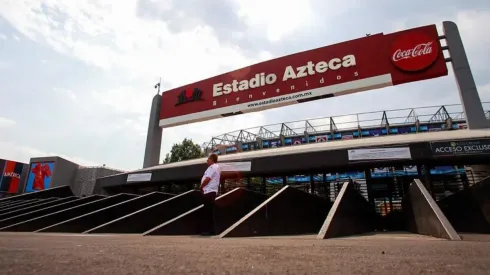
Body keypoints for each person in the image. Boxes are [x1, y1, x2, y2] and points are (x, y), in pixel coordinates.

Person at [199, 153, 221, 235]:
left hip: (209, 191)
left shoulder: (213, 167)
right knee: (208, 211)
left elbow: (208, 178)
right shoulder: (214, 167)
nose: (207, 160)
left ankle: (209, 231)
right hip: (209, 191)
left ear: (212, 159)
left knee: (208, 211)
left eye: (208, 159)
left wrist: (201, 186)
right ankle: (211, 230)